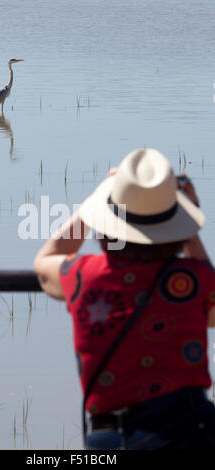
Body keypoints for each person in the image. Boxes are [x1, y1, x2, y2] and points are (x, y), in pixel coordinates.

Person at [33, 148, 215, 450]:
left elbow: (45, 260)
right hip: (189, 431)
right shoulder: (192, 281)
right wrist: (186, 218)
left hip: (110, 438)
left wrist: (97, 199)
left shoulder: (84, 276)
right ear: (177, 226)